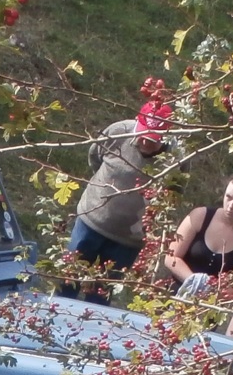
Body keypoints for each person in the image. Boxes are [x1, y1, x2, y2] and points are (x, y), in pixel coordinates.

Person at [61, 95, 172, 301]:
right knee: (67, 281)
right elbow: (95, 157)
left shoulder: (175, 159)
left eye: (153, 139)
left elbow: (173, 194)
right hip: (91, 223)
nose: (146, 141)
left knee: (100, 296)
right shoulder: (118, 132)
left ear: (166, 136)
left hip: (128, 240)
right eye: (143, 134)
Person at [163, 174, 233, 300]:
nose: (231, 205)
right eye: (228, 197)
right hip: (173, 296)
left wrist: (210, 293)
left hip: (210, 305)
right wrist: (195, 282)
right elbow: (171, 257)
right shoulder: (200, 216)